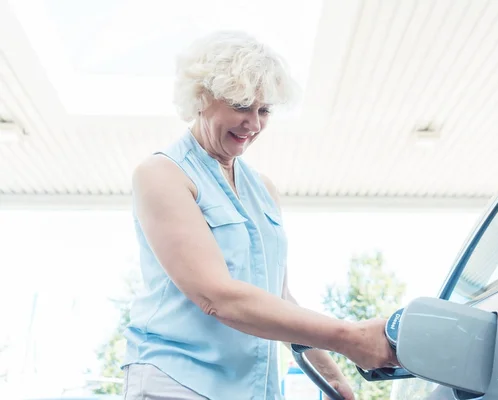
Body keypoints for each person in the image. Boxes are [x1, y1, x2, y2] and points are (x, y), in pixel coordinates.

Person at [121, 30, 399, 400]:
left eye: (263, 110)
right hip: (175, 382)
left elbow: (278, 297)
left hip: (251, 389)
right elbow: (217, 296)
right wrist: (350, 338)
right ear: (201, 98)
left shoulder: (263, 189)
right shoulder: (162, 175)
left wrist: (332, 379)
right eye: (240, 105)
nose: (253, 124)